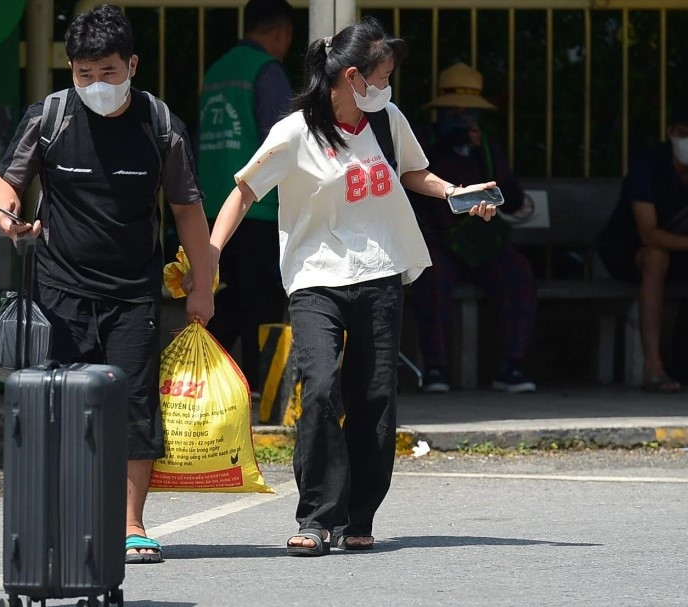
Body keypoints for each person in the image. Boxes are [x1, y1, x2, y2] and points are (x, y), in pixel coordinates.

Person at [206, 18, 497, 556]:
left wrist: (457, 192)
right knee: (318, 387)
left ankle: (357, 515)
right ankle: (316, 515)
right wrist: (211, 253)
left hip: (381, 272)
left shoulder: (386, 119)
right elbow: (243, 192)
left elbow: (413, 172)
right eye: (384, 76)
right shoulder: (295, 130)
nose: (389, 87)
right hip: (316, 279)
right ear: (353, 76)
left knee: (374, 397)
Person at [0, 4, 214, 564]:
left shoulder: (160, 125)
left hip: (134, 293)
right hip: (58, 290)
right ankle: (62, 515)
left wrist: (202, 287)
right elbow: (4, 184)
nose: (96, 85)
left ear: (132, 65)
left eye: (108, 73)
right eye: (83, 74)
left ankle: (132, 524)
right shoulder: (51, 117)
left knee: (135, 406)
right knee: (58, 405)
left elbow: (188, 211)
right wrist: (10, 216)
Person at [407, 62, 538, 394]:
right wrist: (446, 146)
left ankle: (511, 367)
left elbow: (512, 195)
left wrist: (481, 156)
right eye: (455, 109)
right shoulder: (423, 140)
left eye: (469, 111)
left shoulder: (488, 146)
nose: (463, 116)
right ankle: (436, 369)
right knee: (432, 276)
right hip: (439, 240)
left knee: (518, 272)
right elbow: (410, 180)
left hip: (481, 243)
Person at [197, 0, 294, 391]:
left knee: (227, 297)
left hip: (211, 208)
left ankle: (204, 372)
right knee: (260, 303)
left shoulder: (217, 70)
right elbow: (282, 140)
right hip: (258, 207)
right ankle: (258, 385)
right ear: (281, 33)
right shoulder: (267, 72)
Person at [597, 96, 688, 393]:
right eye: (684, 132)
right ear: (670, 132)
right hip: (627, 252)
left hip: (683, 253)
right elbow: (649, 235)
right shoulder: (648, 163)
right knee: (656, 257)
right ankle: (653, 367)